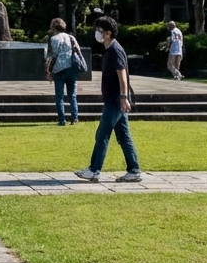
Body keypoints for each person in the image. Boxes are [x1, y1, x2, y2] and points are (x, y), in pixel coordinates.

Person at [76, 16, 142, 183]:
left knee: (102, 134)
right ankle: (134, 170)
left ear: (108, 33)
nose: (97, 33)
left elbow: (122, 75)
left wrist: (124, 97)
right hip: (114, 99)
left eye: (100, 30)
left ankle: (94, 169)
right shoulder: (110, 50)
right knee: (124, 136)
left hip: (115, 100)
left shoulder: (115, 50)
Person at [45, 17, 80, 125]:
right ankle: (74, 117)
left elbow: (50, 56)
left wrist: (48, 70)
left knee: (59, 96)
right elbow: (78, 50)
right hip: (72, 67)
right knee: (72, 94)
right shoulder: (71, 37)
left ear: (53, 27)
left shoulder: (53, 39)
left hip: (59, 68)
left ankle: (62, 120)